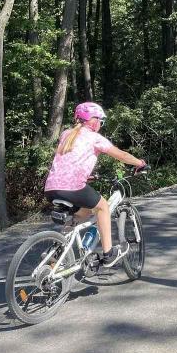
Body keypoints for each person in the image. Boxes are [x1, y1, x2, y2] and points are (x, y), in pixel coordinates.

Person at [44, 102, 146, 267]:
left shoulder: (66, 134)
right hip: (72, 187)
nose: (100, 124)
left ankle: (56, 252)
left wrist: (86, 176)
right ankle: (108, 254)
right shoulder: (94, 138)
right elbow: (122, 155)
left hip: (51, 188)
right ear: (94, 120)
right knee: (103, 207)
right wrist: (140, 163)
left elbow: (70, 161)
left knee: (83, 213)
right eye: (101, 121)